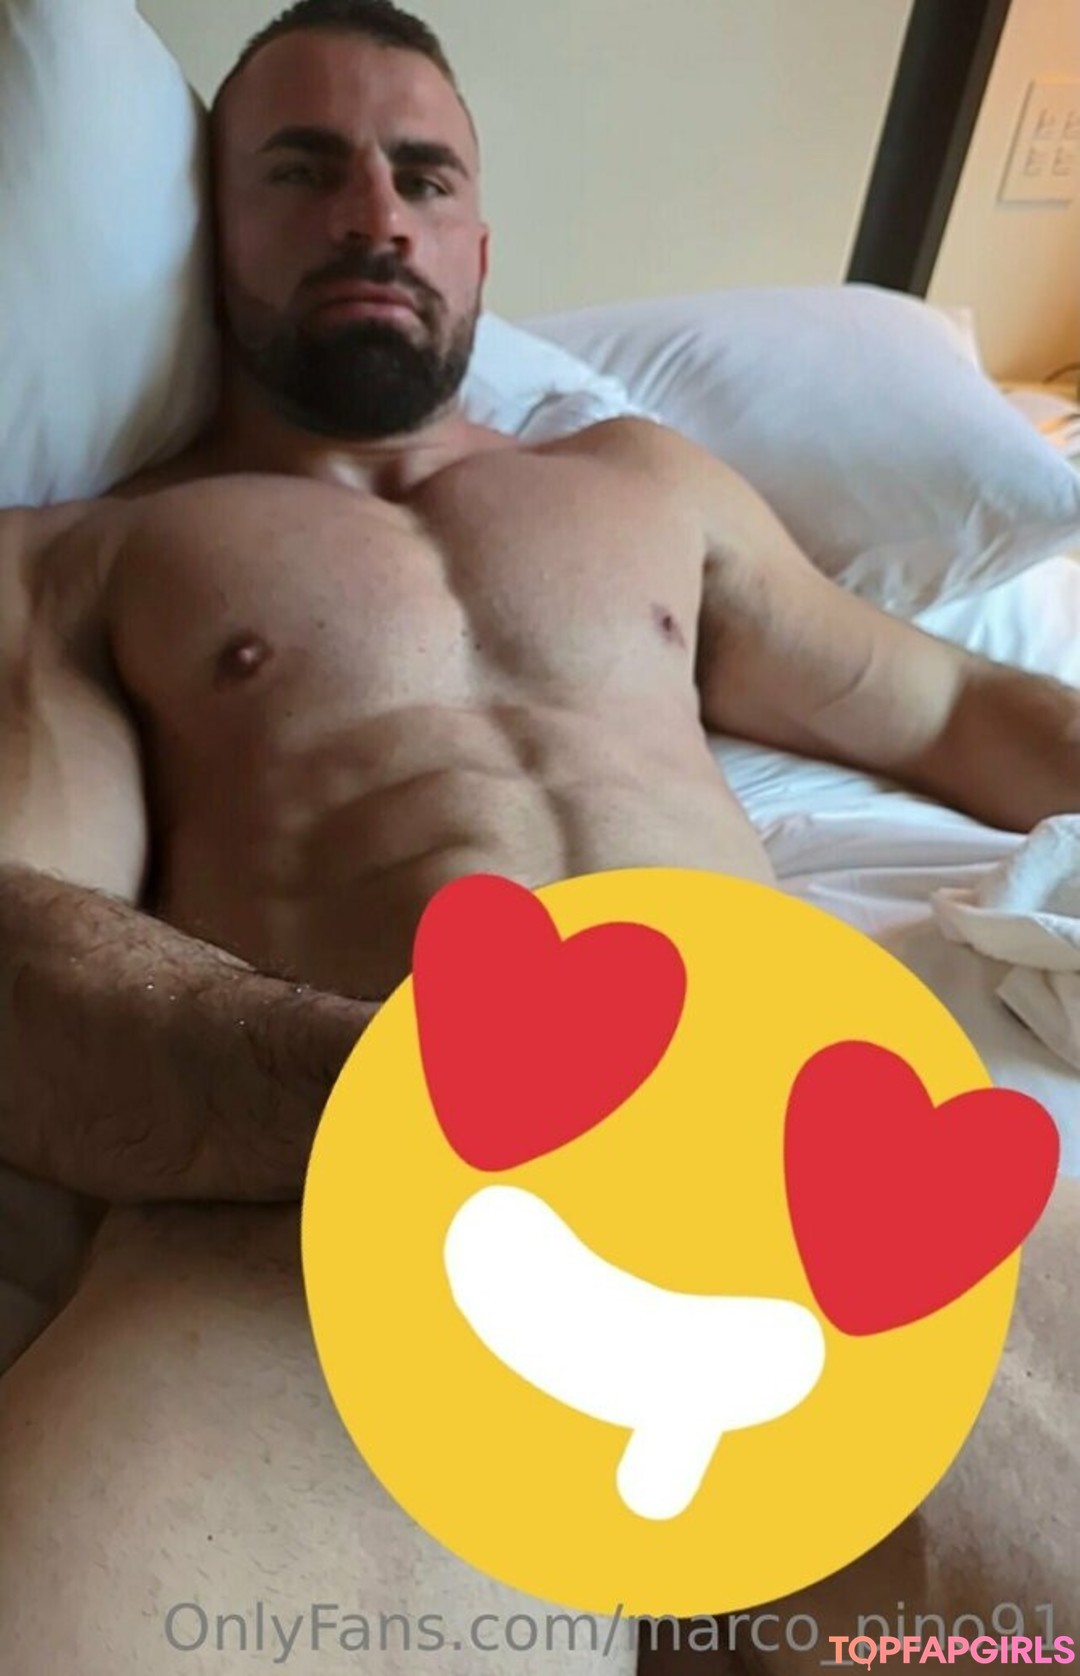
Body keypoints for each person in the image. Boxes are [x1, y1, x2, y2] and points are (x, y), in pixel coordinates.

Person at [0, 2, 1076, 1669]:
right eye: (303, 169)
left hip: (818, 1172)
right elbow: (24, 950)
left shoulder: (646, 484)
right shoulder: (91, 557)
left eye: (421, 174)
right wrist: (403, 1103)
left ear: (480, 242)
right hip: (323, 1228)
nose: (373, 212)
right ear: (216, 229)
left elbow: (945, 706)